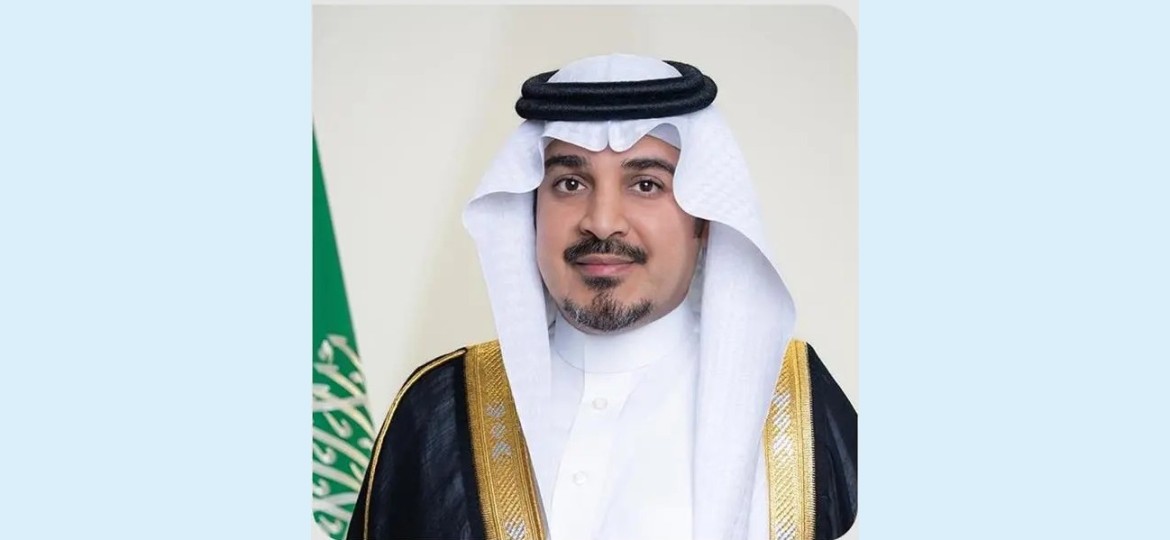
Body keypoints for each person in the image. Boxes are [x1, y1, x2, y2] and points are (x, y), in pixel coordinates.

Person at [347, 54, 857, 540]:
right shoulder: (440, 405)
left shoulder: (796, 405)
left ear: (703, 218)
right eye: (570, 183)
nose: (603, 221)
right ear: (530, 210)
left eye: (646, 185)